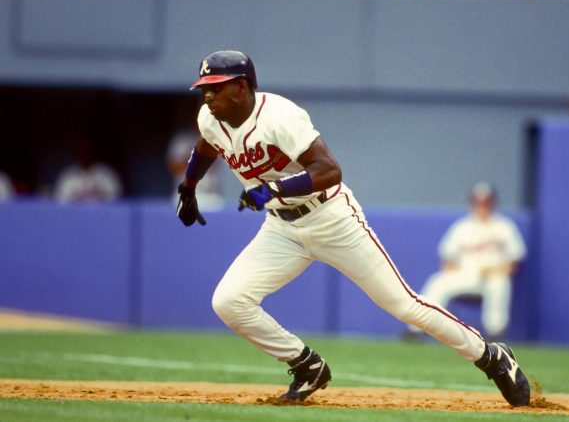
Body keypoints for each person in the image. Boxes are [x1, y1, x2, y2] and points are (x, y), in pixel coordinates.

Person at [175, 50, 530, 407]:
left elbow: (329, 170)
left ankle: (491, 357)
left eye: (215, 87)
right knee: (229, 302)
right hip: (281, 229)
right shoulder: (210, 116)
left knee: (404, 305)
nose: (207, 95)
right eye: (204, 87)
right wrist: (188, 186)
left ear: (240, 86)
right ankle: (306, 364)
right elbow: (208, 145)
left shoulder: (280, 116)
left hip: (332, 219)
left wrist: (274, 189)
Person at [405, 182, 526, 341]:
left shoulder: (504, 226)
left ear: (493, 203)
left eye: (486, 202)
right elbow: (446, 258)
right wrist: (453, 269)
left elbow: (517, 260)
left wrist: (500, 269)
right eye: (478, 202)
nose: (482, 206)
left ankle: (496, 333)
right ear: (472, 203)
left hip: (493, 274)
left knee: (500, 283)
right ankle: (416, 330)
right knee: (437, 281)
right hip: (466, 274)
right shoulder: (462, 227)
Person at [54, 136, 123, 203]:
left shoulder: (107, 175)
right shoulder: (67, 177)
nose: (83, 153)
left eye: (86, 149)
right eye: (80, 150)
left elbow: (116, 201)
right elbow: (60, 204)